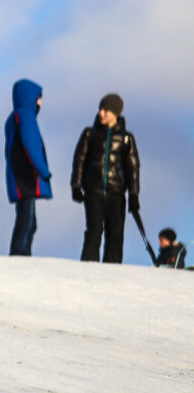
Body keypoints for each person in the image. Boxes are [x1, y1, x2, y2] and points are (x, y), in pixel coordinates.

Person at [71, 93, 140, 264]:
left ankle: (113, 270)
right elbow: (79, 160)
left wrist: (133, 194)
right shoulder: (89, 134)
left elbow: (133, 168)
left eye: (106, 110)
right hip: (93, 190)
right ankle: (88, 266)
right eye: (100, 109)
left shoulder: (126, 138)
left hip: (116, 192)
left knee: (115, 232)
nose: (101, 113)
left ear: (116, 113)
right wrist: (76, 185)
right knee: (94, 229)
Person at [4, 79, 52, 256]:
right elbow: (31, 145)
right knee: (27, 222)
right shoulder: (26, 116)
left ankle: (22, 256)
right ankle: (20, 257)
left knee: (28, 221)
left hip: (17, 176)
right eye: (38, 98)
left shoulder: (13, 118)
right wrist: (43, 171)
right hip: (26, 177)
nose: (40, 103)